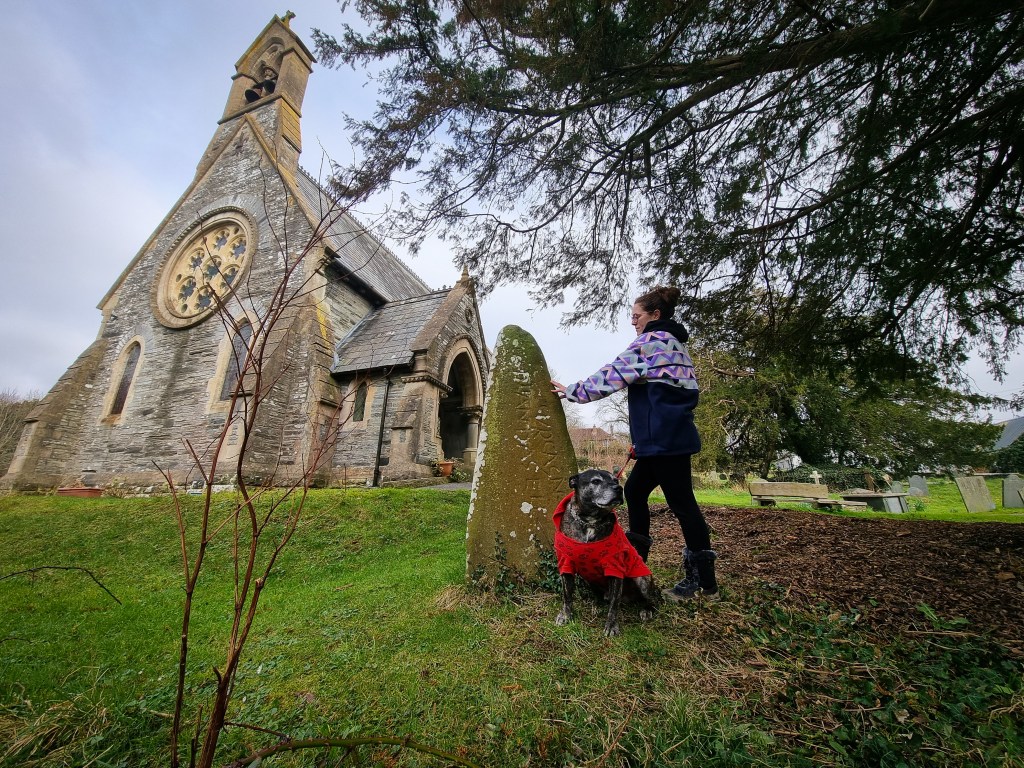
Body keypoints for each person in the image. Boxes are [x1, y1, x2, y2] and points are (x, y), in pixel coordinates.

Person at [551, 286, 718, 602]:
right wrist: (643, 442)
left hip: (665, 444)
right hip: (666, 440)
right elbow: (672, 401)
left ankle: (704, 583)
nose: (633, 322)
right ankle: (634, 562)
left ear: (655, 315)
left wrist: (573, 390)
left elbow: (611, 376)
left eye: (636, 316)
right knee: (636, 491)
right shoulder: (677, 348)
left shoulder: (650, 344)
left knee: (683, 504)